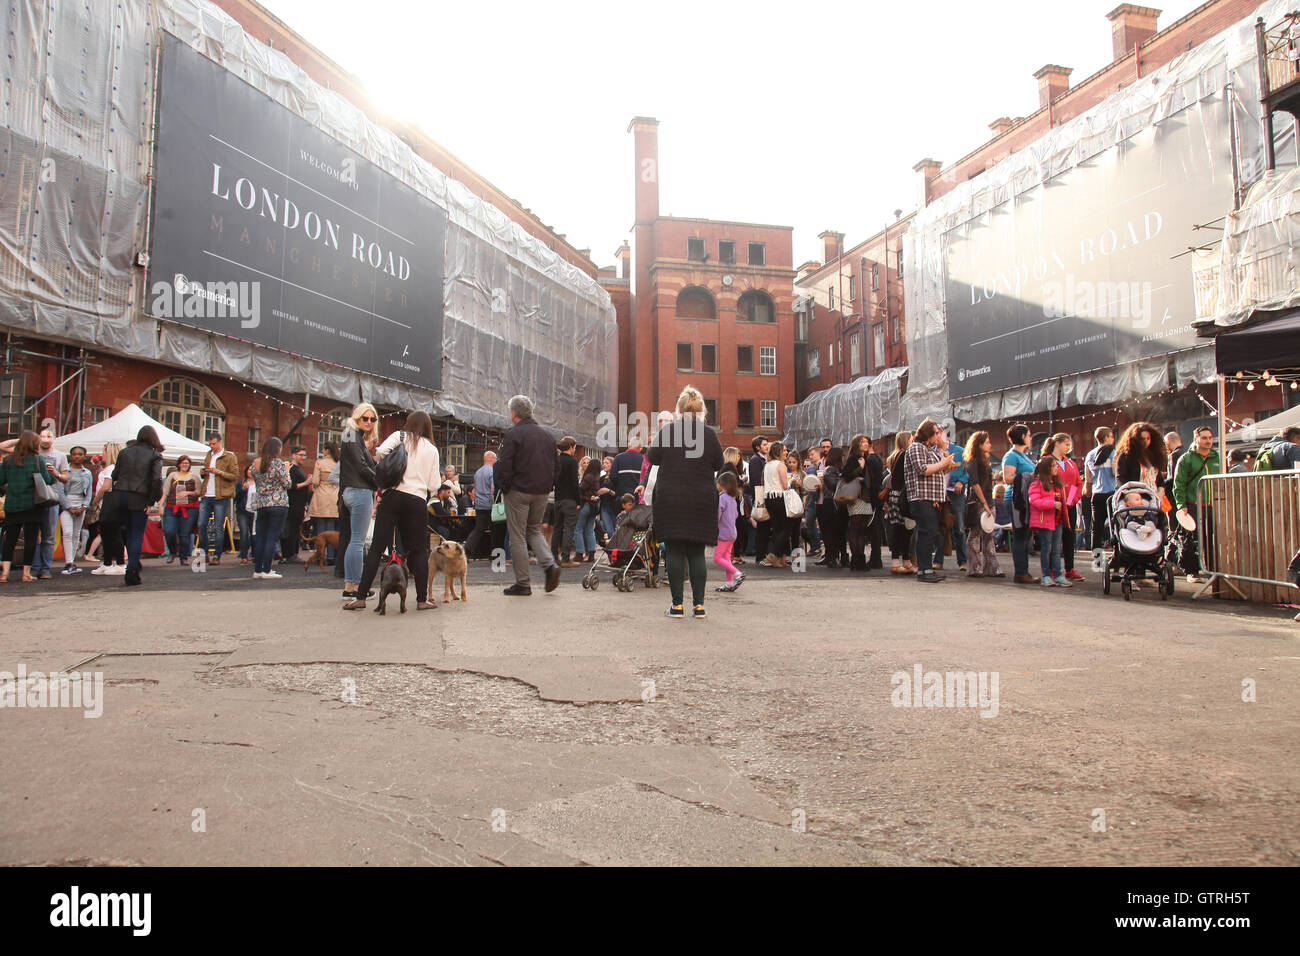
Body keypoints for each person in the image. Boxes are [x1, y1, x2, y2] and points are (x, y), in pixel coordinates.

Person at [343, 411, 440, 610]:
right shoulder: (432, 449)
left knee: (377, 548)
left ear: (409, 423)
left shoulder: (399, 436)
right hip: (417, 500)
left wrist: (394, 468)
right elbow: (434, 484)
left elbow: (380, 452)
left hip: (393, 496)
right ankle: (422, 600)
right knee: (419, 551)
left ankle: (360, 597)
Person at [648, 386, 724, 618]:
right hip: (701, 498)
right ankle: (699, 606)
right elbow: (719, 464)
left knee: (674, 550)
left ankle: (677, 605)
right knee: (697, 553)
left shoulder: (669, 431)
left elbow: (652, 457)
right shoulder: (708, 433)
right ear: (701, 410)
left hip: (671, 497)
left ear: (679, 409)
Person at [497, 394, 562, 596]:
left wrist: (504, 487)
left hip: (518, 490)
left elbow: (505, 465)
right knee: (534, 530)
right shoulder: (548, 436)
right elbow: (556, 466)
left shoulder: (513, 435)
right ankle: (550, 565)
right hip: (542, 491)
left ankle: (523, 583)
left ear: (514, 413)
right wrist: (549, 485)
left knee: (517, 536)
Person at [0, 430, 59, 583]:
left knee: (10, 539)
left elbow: (1, 480)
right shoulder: (37, 460)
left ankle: (5, 573)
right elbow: (47, 480)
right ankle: (26, 573)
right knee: (31, 538)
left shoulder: (8, 460)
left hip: (12, 504)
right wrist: (52, 473)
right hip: (32, 505)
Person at [905, 419, 957, 583]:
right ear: (927, 433)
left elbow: (937, 470)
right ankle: (924, 570)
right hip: (921, 497)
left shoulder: (930, 450)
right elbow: (923, 469)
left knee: (931, 532)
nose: (939, 436)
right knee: (926, 532)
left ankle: (926, 568)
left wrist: (948, 465)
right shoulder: (916, 448)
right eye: (936, 433)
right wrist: (943, 463)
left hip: (932, 498)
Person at [113, 425, 165, 587]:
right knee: (136, 533)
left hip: (121, 495)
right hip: (139, 496)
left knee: (127, 531)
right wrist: (152, 501)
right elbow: (156, 480)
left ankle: (134, 562)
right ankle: (132, 569)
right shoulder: (154, 455)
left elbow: (115, 474)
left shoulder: (125, 452)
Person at [338, 403, 379, 600]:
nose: (369, 422)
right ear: (357, 417)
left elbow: (365, 464)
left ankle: (350, 586)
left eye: (373, 419)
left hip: (352, 491)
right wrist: (379, 481)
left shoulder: (353, 436)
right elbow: (361, 466)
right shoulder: (351, 435)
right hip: (359, 491)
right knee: (357, 541)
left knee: (354, 540)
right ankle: (354, 588)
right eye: (365, 418)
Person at [1172, 425, 1219, 583]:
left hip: (1212, 505)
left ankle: (1212, 570)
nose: (1208, 441)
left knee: (1211, 539)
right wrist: (1181, 504)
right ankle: (1191, 572)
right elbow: (1179, 483)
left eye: (1210, 438)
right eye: (1204, 438)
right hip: (1192, 505)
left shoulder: (1216, 457)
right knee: (1190, 540)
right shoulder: (1186, 458)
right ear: (1196, 439)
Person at [248, 437, 291, 581]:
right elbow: (287, 484)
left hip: (262, 504)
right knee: (272, 538)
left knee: (260, 537)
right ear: (276, 449)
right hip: (278, 503)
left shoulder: (255, 463)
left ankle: (258, 569)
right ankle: (267, 569)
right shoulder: (278, 463)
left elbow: (256, 479)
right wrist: (287, 470)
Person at [29, 427, 69, 580]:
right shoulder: (32, 454)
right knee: (33, 535)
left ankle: (45, 568)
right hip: (33, 498)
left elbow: (66, 478)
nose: (46, 439)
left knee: (48, 536)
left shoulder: (60, 456)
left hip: (51, 498)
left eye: (49, 436)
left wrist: (55, 473)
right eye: (43, 436)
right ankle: (34, 567)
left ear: (54, 438)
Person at [1044, 433, 1084, 581]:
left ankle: (1070, 568)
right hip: (1054, 505)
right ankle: (1052, 569)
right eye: (1066, 444)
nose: (1068, 447)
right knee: (1052, 539)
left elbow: (1077, 484)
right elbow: (1044, 483)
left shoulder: (1071, 463)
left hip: (1069, 505)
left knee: (1069, 536)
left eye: (1069, 444)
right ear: (1057, 443)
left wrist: (1072, 499)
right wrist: (1055, 500)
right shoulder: (1047, 461)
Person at [1001, 423, 1038, 584]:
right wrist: (1030, 475)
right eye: (1029, 435)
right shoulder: (1011, 456)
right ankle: (1021, 572)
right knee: (1020, 534)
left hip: (1026, 498)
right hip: (1016, 499)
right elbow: (1008, 478)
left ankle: (1024, 571)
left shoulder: (1023, 455)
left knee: (1025, 534)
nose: (1030, 438)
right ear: (1022, 436)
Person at [963, 431, 1002, 578]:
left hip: (988, 500)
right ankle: (975, 567)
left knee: (988, 533)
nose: (990, 444)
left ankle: (991, 566)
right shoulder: (973, 461)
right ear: (979, 445)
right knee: (975, 534)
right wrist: (984, 503)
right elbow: (975, 484)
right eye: (987, 442)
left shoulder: (986, 461)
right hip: (978, 502)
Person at [840, 434, 882, 573]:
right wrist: (860, 467)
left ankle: (860, 558)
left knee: (862, 530)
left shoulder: (867, 458)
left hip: (866, 498)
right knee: (856, 528)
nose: (866, 444)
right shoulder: (854, 458)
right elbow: (846, 475)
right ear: (857, 444)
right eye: (863, 442)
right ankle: (856, 560)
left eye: (866, 442)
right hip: (856, 497)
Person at [1028, 456, 1070, 588]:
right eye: (1053, 466)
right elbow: (1034, 501)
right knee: (1046, 549)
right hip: (1045, 521)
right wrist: (1051, 504)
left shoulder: (1058, 484)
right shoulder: (1037, 483)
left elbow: (1065, 499)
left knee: (1057, 549)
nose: (1056, 468)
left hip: (1058, 521)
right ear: (1047, 468)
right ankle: (1046, 576)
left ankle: (1058, 575)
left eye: (1056, 466)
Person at [198, 432, 239, 564]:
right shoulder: (209, 454)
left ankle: (216, 555)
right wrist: (203, 472)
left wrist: (219, 472)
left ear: (220, 442)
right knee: (201, 524)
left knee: (218, 527)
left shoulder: (229, 456)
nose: (212, 446)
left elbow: (234, 475)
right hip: (206, 494)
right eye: (210, 443)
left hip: (221, 495)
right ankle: (204, 554)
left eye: (214, 443)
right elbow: (205, 474)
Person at [89, 442, 125, 575]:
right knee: (106, 534)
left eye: (104, 451)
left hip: (109, 502)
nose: (102, 454)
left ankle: (120, 563)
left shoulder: (111, 468)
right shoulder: (110, 468)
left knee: (113, 533)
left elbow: (106, 486)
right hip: (108, 503)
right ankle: (107, 562)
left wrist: (95, 500)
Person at [1084, 426, 1117, 564]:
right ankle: (1116, 553)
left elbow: (1089, 479)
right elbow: (1116, 473)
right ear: (1107, 437)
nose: (1113, 439)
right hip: (1111, 492)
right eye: (1111, 436)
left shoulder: (1090, 455)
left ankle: (1097, 557)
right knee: (1115, 524)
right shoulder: (1113, 453)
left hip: (1097, 493)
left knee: (1096, 527)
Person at [58, 445, 93, 574]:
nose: (77, 456)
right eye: (74, 454)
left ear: (84, 456)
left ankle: (71, 562)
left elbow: (89, 492)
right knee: (67, 533)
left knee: (76, 533)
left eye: (80, 454)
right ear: (70, 456)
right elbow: (60, 491)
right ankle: (68, 562)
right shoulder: (65, 471)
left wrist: (84, 506)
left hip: (81, 503)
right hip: (67, 503)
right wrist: (68, 507)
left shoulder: (87, 473)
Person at [160, 454, 200, 565]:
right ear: (179, 464)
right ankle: (172, 552)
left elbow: (199, 492)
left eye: (187, 463)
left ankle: (183, 557)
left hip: (189, 509)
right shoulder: (172, 475)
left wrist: (188, 492)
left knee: (184, 534)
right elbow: (165, 492)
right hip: (171, 507)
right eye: (183, 463)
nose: (185, 465)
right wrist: (160, 506)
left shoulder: (194, 477)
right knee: (169, 531)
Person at [938, 428, 968, 572]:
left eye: (939, 433)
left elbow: (968, 469)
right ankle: (938, 560)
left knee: (960, 528)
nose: (937, 436)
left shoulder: (959, 451)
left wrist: (961, 481)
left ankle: (963, 561)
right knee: (940, 527)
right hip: (939, 493)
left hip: (955, 492)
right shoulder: (932, 451)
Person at [886, 431, 916, 574]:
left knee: (900, 528)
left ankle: (904, 560)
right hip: (902, 495)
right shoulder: (905, 455)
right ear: (907, 441)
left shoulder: (894, 456)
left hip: (894, 494)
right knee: (902, 529)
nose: (913, 441)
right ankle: (897, 562)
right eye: (911, 439)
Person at [762, 441, 794, 569]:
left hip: (769, 498)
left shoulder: (767, 465)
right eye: (784, 450)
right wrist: (793, 482)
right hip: (779, 497)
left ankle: (781, 558)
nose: (786, 452)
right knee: (787, 528)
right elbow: (785, 485)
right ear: (778, 452)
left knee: (777, 528)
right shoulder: (781, 465)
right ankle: (773, 554)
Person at [551, 436, 581, 567]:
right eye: (574, 447)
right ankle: (566, 558)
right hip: (570, 500)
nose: (575, 450)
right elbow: (575, 483)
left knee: (557, 528)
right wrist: (578, 500)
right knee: (569, 529)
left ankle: (553, 557)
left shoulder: (556, 461)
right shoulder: (572, 462)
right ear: (570, 447)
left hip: (558, 499)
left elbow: (552, 480)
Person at [278, 446, 312, 564]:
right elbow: (290, 486)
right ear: (293, 455)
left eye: (304, 455)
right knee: (290, 530)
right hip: (292, 504)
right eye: (301, 455)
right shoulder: (291, 469)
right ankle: (289, 555)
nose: (303, 457)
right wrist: (306, 483)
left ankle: (292, 553)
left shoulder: (299, 469)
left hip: (299, 504)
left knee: (295, 530)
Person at [816, 447, 848, 569]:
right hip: (830, 504)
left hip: (836, 504)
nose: (844, 458)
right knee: (831, 532)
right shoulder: (829, 470)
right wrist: (844, 480)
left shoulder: (838, 469)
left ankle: (837, 557)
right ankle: (832, 558)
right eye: (842, 455)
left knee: (838, 532)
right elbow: (834, 485)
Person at [308, 443, 340, 563]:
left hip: (321, 495)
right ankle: (331, 556)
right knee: (332, 529)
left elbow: (315, 481)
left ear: (327, 450)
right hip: (334, 495)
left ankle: (320, 556)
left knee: (321, 529)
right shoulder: (338, 463)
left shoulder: (319, 463)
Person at [713, 471, 745, 592]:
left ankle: (737, 574)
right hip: (732, 532)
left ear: (723, 485)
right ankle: (729, 582)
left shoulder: (722, 498)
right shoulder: (732, 499)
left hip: (723, 533)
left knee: (717, 558)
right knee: (726, 558)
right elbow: (736, 514)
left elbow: (717, 515)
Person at [1112, 421, 1168, 489]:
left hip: (1154, 495)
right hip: (1136, 496)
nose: (1145, 442)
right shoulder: (1125, 456)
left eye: (1148, 438)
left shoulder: (1153, 455)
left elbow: (1159, 478)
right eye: (1142, 439)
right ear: (1134, 439)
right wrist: (1130, 493)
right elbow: (1120, 478)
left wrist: (1161, 489)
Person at [465, 450, 497, 560]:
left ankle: (468, 549)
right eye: (495, 458)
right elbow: (493, 489)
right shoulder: (492, 471)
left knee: (479, 529)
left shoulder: (478, 472)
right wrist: (495, 503)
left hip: (479, 505)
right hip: (489, 504)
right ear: (492, 458)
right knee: (495, 529)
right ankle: (494, 554)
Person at [747, 436, 772, 562]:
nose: (767, 446)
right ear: (758, 447)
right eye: (764, 445)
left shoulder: (763, 459)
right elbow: (757, 480)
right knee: (762, 526)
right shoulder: (756, 460)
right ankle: (760, 555)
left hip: (762, 495)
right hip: (760, 496)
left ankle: (763, 554)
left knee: (765, 527)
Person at [575, 457, 603, 561]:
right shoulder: (597, 477)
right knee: (590, 529)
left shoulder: (588, 476)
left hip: (586, 505)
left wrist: (580, 501)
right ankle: (591, 554)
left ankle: (579, 553)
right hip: (594, 506)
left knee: (578, 529)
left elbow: (580, 490)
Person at [235, 462, 255, 563]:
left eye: (252, 470)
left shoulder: (259, 483)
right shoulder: (241, 482)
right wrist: (242, 490)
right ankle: (243, 555)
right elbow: (236, 498)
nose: (250, 472)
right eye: (249, 470)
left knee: (253, 533)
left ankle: (254, 554)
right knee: (244, 532)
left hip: (254, 510)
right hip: (242, 510)